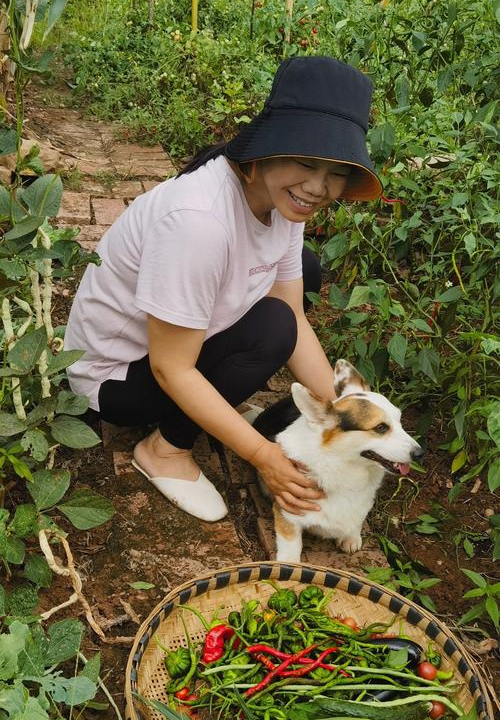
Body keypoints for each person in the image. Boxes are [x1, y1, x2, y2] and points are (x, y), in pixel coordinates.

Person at [65, 56, 382, 522]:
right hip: (117, 378)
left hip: (174, 345)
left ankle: (220, 390)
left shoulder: (283, 200)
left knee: (301, 277)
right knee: (270, 328)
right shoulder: (198, 223)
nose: (318, 188)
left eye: (335, 172)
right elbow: (172, 369)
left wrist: (351, 413)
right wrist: (262, 455)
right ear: (269, 149)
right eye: (306, 162)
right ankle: (165, 448)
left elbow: (295, 313)